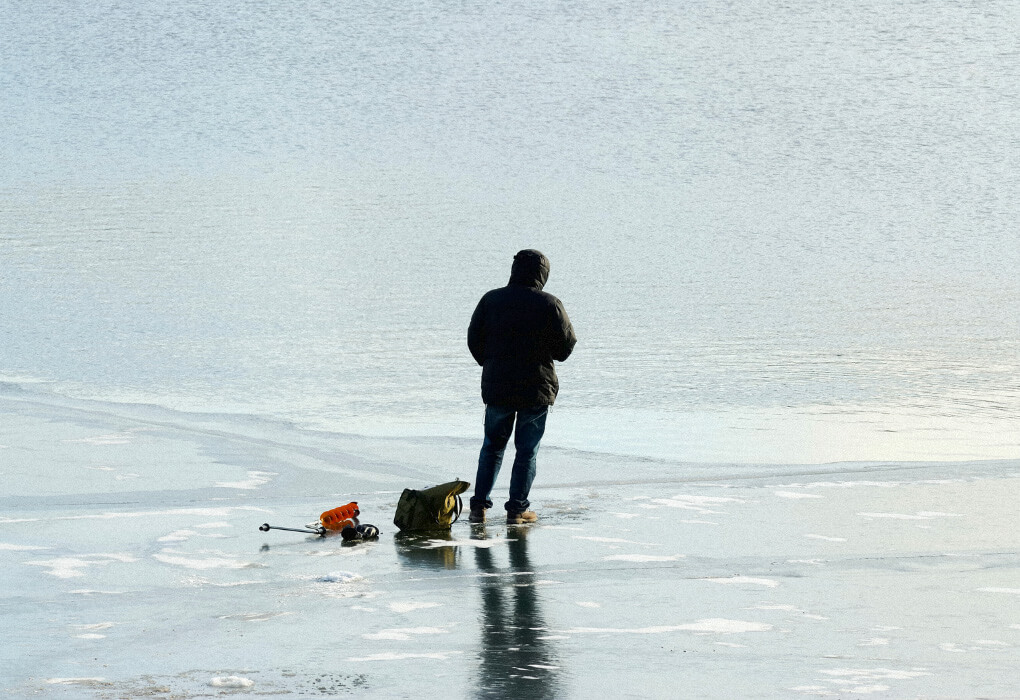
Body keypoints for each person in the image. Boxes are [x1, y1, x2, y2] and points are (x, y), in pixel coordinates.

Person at [467, 249, 577, 524]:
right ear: (543, 274)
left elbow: (473, 340)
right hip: (536, 388)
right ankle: (517, 510)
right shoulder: (550, 303)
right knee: (527, 451)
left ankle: (478, 508)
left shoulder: (491, 300)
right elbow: (565, 347)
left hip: (498, 385)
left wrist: (491, 364)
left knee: (492, 446)